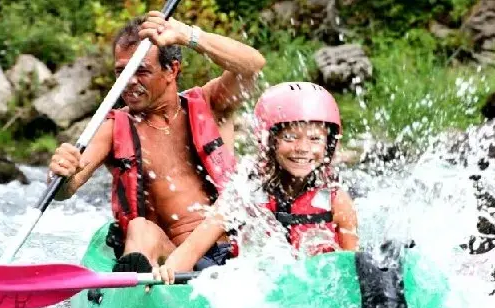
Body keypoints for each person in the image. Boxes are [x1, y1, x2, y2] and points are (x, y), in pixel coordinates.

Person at [47, 10, 266, 273]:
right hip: (168, 261)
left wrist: (189, 36)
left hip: (230, 249)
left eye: (141, 71)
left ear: (171, 70)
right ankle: (134, 290)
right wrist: (59, 174)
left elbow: (252, 65)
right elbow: (65, 190)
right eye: (122, 71)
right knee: (140, 228)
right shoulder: (112, 128)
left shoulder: (210, 104)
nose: (129, 82)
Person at [154, 82, 359, 284]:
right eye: (289, 137)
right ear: (269, 141)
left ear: (329, 144)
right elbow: (192, 249)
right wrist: (169, 271)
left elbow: (352, 269)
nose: (303, 148)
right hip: (252, 291)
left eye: (315, 139)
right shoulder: (244, 191)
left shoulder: (335, 200)